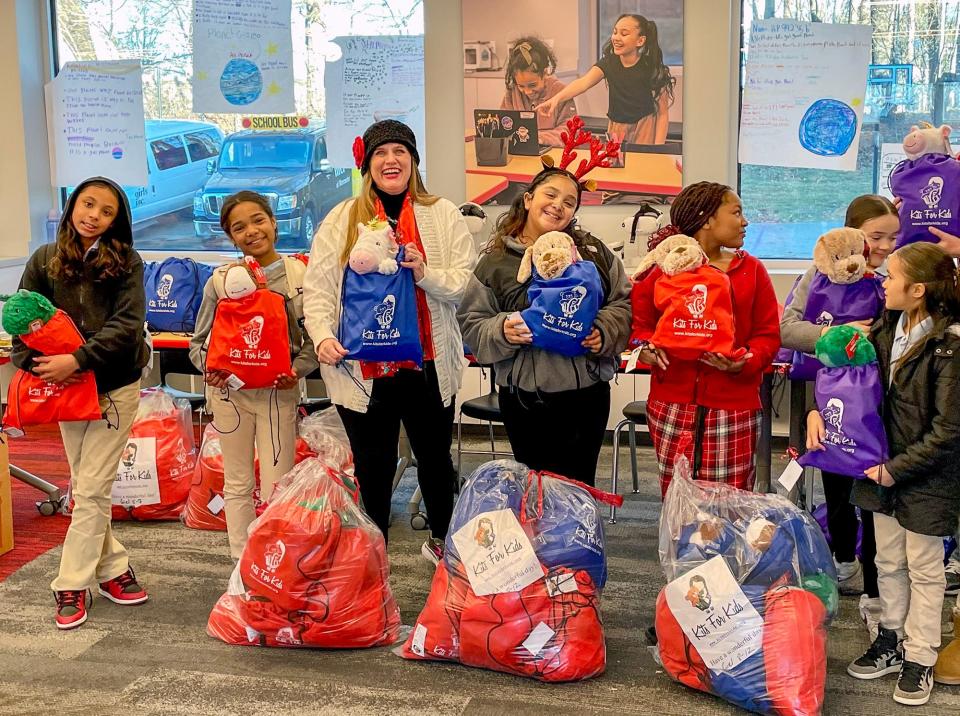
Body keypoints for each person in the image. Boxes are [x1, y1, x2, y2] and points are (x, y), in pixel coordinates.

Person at [302, 120, 475, 565]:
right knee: (372, 466)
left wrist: (424, 273)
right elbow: (320, 288)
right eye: (381, 152)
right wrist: (321, 335)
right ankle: (369, 553)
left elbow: (460, 285)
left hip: (428, 363)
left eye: (400, 150)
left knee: (435, 461)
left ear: (414, 161)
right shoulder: (342, 217)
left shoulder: (442, 214)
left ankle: (443, 544)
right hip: (362, 368)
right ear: (367, 164)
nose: (391, 159)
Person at [807, 242, 960, 706]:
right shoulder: (883, 328)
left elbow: (949, 428)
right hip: (877, 468)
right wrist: (818, 412)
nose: (882, 281)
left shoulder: (950, 344)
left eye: (890, 276)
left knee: (925, 569)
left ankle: (921, 656)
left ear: (917, 289)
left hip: (924, 476)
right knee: (888, 561)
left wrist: (896, 470)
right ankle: (891, 639)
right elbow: (847, 385)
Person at [11, 177, 151, 630]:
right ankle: (114, 569)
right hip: (68, 391)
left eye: (106, 210)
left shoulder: (127, 261)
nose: (93, 215)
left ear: (117, 220)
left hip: (115, 387)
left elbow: (128, 326)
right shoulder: (44, 260)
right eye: (87, 204)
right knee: (88, 484)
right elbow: (21, 324)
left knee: (90, 489)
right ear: (73, 205)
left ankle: (69, 583)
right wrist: (38, 364)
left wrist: (77, 358)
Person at [457, 167, 631, 487]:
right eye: (550, 195)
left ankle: (579, 539)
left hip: (587, 396)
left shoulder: (594, 253)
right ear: (528, 199)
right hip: (525, 400)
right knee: (536, 488)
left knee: (580, 487)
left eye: (569, 201)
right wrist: (501, 330)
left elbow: (623, 302)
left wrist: (605, 331)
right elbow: (471, 321)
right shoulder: (495, 261)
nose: (558, 206)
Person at [780, 194, 897, 630]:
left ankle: (876, 591)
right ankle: (843, 560)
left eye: (892, 237)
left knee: (872, 497)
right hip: (829, 402)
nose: (884, 247)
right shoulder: (817, 276)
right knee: (837, 489)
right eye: (875, 237)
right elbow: (788, 330)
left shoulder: (890, 282)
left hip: (879, 410)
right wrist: (836, 333)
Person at [189, 190, 317, 560]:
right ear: (231, 237)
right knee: (238, 481)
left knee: (278, 484)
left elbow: (314, 335)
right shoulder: (221, 282)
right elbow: (200, 342)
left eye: (258, 221)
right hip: (231, 397)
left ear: (275, 223)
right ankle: (241, 564)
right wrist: (210, 371)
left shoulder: (299, 276)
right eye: (239, 227)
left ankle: (276, 563)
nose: (251, 232)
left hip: (278, 394)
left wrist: (298, 370)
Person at [631, 181, 780, 496]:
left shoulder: (751, 270)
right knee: (677, 501)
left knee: (729, 504)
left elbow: (768, 335)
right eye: (736, 212)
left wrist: (744, 362)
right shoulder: (663, 270)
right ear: (707, 219)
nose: (745, 221)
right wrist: (643, 348)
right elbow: (637, 326)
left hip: (734, 406)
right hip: (671, 404)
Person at [537, 14, 675, 145]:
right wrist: (556, 99)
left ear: (640, 40)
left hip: (644, 126)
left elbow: (662, 114)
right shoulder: (609, 63)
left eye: (624, 34)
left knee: (640, 167)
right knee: (617, 167)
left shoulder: (652, 68)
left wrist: (658, 148)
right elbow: (583, 83)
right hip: (616, 127)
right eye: (615, 32)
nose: (616, 38)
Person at [499, 36, 576, 146]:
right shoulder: (512, 94)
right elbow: (504, 124)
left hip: (553, 153)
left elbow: (569, 130)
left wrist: (541, 139)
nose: (527, 91)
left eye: (532, 85)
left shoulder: (561, 92)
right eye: (521, 86)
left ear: (545, 73)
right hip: (520, 154)